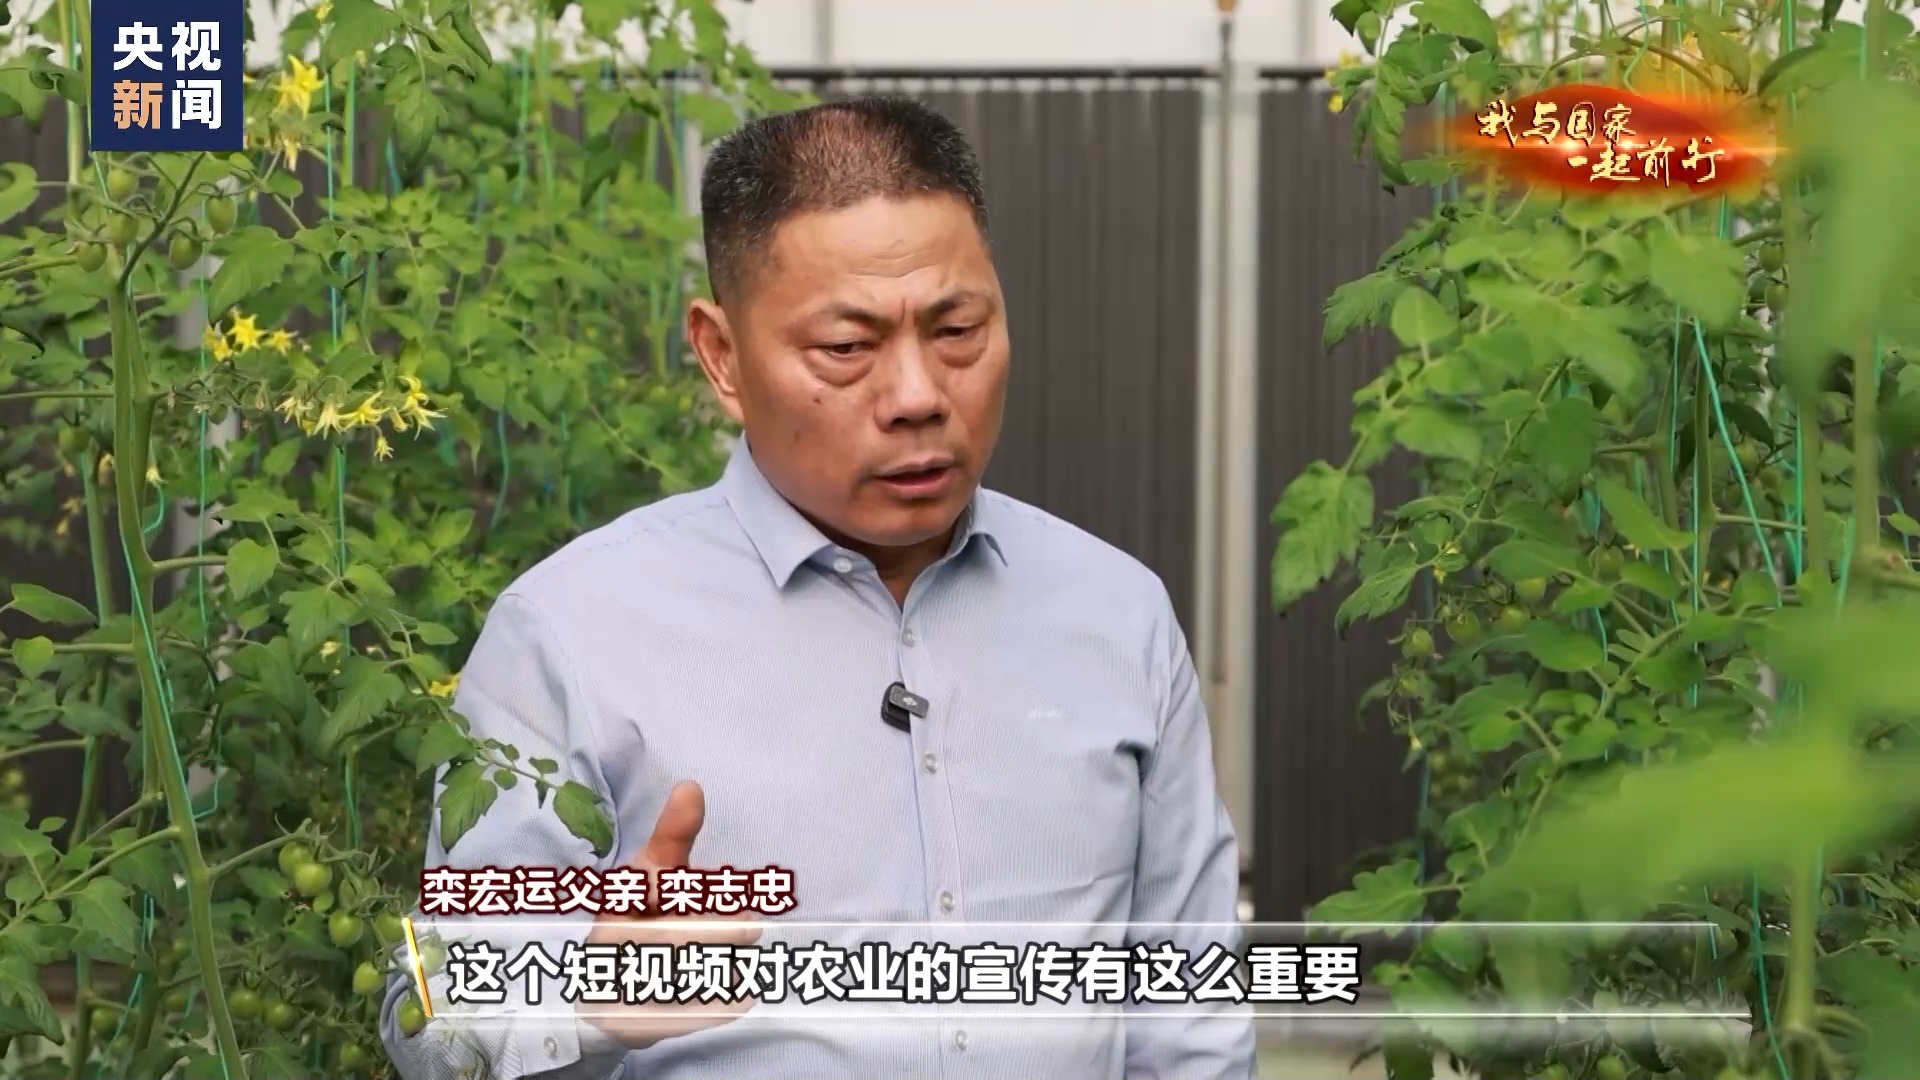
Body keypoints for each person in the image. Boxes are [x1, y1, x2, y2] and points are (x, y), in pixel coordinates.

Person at [380, 94, 1254, 1080]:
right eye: (847, 347)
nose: (918, 396)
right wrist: (577, 995)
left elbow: (1192, 1025)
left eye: (958, 329)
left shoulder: (1117, 615)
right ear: (722, 356)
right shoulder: (571, 635)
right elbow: (425, 1026)